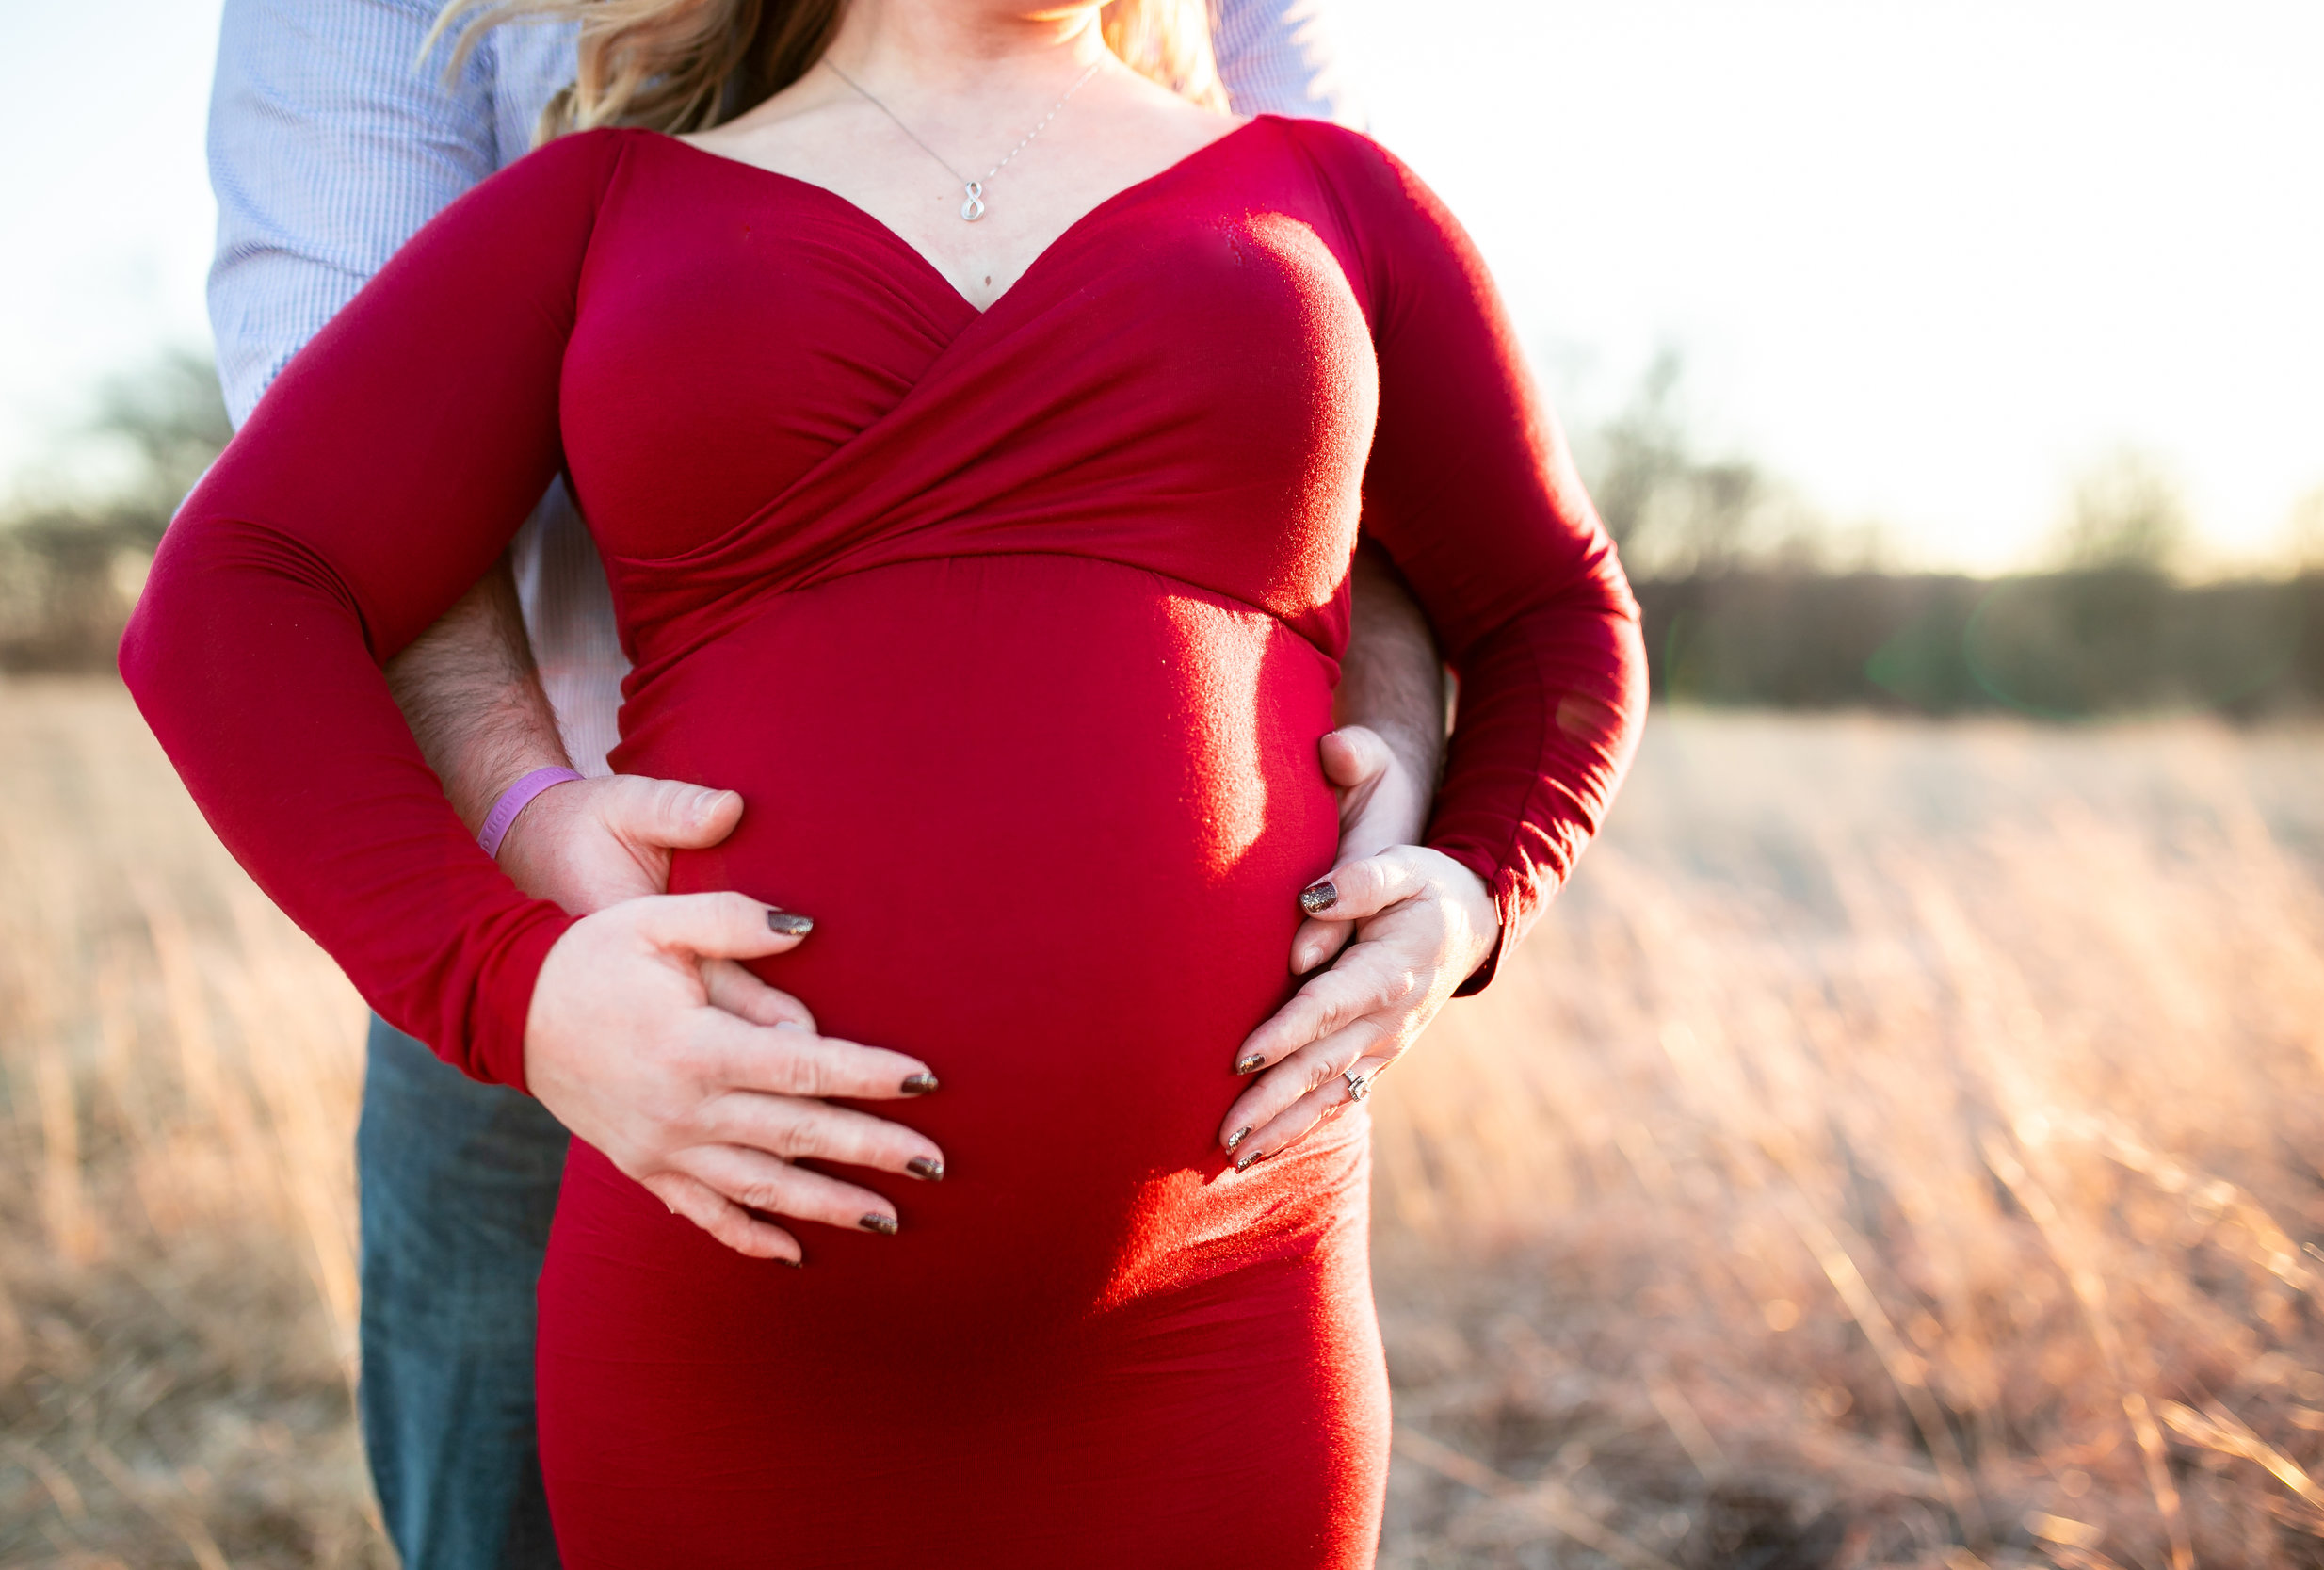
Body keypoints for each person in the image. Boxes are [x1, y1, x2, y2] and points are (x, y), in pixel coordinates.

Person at [140, 0, 1648, 1562]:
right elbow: (244, 592)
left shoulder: (1329, 197)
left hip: (1224, 1292)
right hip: (725, 1302)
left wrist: (1469, 889)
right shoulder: (604, 208)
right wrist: (504, 984)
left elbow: (1551, 608)